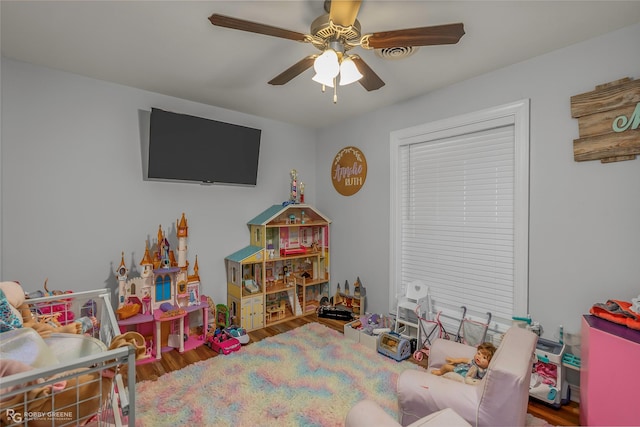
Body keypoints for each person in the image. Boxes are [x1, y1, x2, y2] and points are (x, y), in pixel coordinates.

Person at [431, 342, 497, 381]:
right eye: (478, 353)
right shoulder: (473, 362)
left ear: (490, 363)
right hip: (459, 370)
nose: (479, 357)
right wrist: (454, 360)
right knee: (446, 366)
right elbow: (464, 360)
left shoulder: (483, 371)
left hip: (467, 379)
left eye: (484, 357)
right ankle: (440, 372)